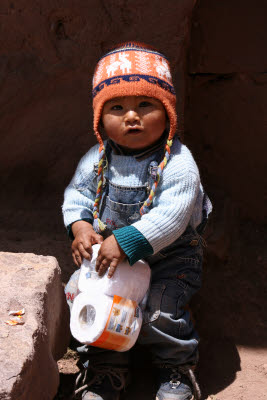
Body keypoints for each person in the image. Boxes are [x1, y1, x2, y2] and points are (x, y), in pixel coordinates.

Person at [62, 42, 212, 400]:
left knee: (161, 309)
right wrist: (81, 226)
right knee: (88, 298)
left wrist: (127, 242)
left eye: (145, 104)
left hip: (169, 257)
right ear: (100, 119)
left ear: (168, 111)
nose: (132, 116)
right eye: (117, 107)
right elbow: (77, 195)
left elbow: (172, 216)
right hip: (111, 257)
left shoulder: (178, 163)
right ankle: (106, 368)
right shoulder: (97, 159)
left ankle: (175, 368)